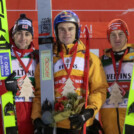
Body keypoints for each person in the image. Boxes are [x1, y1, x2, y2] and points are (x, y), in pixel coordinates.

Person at [31, 10, 108, 134]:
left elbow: (99, 89)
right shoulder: (48, 59)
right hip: (56, 124)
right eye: (62, 29)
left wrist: (89, 112)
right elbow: (40, 93)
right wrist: (37, 117)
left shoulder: (90, 58)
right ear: (56, 32)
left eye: (70, 29)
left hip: (82, 123)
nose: (66, 33)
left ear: (77, 30)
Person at [0, 14, 38, 134]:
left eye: (27, 34)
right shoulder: (4, 58)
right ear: (13, 35)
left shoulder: (39, 59)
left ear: (32, 37)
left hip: (33, 121)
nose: (23, 38)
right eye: (19, 33)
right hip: (7, 120)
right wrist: (3, 86)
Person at [100, 19, 134, 134]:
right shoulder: (101, 62)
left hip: (131, 118)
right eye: (113, 35)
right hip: (109, 121)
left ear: (127, 35)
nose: (117, 38)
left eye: (120, 34)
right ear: (108, 38)